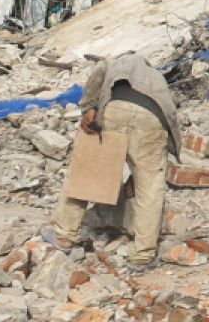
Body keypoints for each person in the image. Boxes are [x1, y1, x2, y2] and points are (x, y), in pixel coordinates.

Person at [49, 51, 182, 269]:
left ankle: (64, 236)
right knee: (150, 186)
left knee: (89, 170)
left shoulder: (114, 62)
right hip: (152, 117)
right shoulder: (156, 78)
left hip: (114, 107)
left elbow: (96, 77)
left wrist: (88, 108)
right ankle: (142, 255)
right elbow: (170, 116)